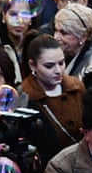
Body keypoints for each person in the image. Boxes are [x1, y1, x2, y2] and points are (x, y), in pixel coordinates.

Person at [18, 33, 85, 165]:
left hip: (81, 165)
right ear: (33, 65)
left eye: (61, 63)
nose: (58, 70)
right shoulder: (24, 97)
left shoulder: (76, 87)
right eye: (49, 66)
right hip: (47, 170)